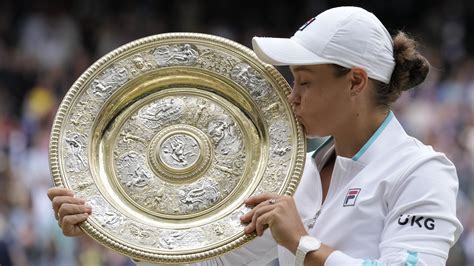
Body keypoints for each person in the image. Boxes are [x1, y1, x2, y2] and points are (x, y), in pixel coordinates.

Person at [47, 6, 463, 266]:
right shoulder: (295, 174)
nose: (290, 96)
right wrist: (112, 228)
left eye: (304, 82)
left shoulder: (421, 172)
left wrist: (302, 244)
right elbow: (213, 265)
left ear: (355, 82)